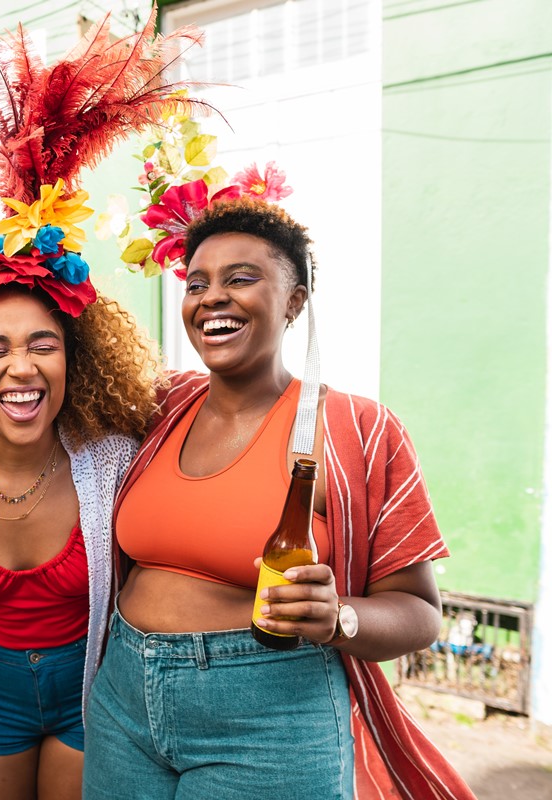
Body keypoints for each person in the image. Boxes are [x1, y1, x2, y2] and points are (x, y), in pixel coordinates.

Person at [0, 13, 199, 800]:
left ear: (74, 357)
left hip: (96, 691)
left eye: (42, 344)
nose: (21, 368)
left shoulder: (118, 459)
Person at [83, 187, 476, 798]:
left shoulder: (355, 430)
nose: (212, 296)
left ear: (294, 301)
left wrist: (337, 617)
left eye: (241, 279)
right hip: (123, 704)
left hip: (269, 720)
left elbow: (421, 613)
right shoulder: (162, 407)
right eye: (196, 283)